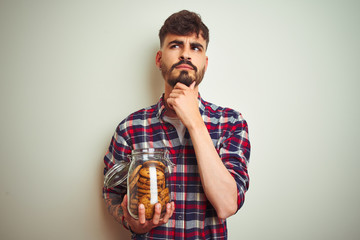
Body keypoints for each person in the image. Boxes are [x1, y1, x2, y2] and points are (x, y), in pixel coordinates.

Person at [103, 10, 250, 240]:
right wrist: (130, 221)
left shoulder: (231, 123)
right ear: (159, 59)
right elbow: (111, 192)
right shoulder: (129, 128)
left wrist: (194, 121)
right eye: (175, 45)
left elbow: (227, 205)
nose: (185, 55)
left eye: (195, 47)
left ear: (205, 62)